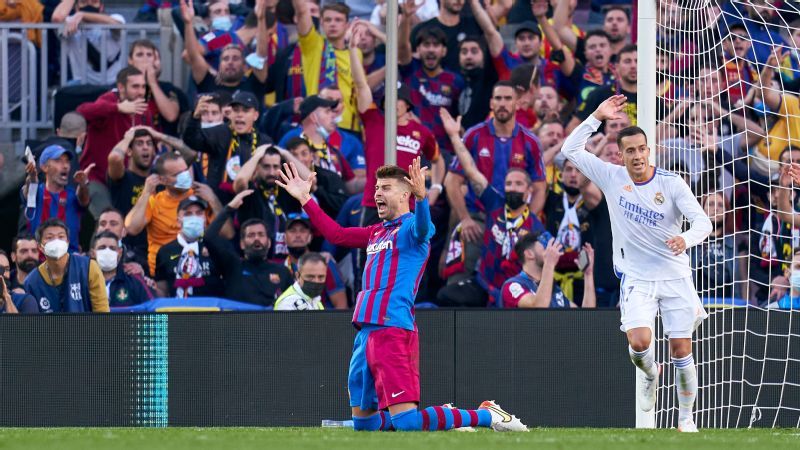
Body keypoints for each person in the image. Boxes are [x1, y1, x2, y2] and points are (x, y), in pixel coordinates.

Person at [276, 157, 527, 432]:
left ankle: (486, 415)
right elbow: (336, 235)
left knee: (407, 423)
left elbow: (422, 227)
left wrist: (422, 200)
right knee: (365, 425)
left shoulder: (411, 229)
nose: (377, 194)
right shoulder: (375, 232)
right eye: (376, 188)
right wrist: (305, 199)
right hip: (364, 333)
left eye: (385, 188)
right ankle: (440, 415)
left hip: (393, 329)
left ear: (405, 194)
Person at [561, 94, 713, 432]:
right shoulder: (612, 177)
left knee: (681, 349)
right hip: (637, 276)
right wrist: (596, 117)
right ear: (621, 154)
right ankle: (649, 374)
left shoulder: (671, 183)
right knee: (640, 343)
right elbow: (570, 150)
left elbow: (704, 223)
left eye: (641, 149)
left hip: (674, 275)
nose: (637, 155)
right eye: (629, 150)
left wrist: (685, 239)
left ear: (649, 150)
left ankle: (686, 420)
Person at [349, 21, 444, 226]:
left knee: (403, 258)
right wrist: (352, 51)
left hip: (406, 207)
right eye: (387, 100)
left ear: (407, 104)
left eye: (396, 99)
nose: (391, 104)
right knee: (368, 257)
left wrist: (436, 187)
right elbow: (361, 85)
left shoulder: (421, 132)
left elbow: (437, 159)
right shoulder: (374, 120)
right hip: (375, 203)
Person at [124, 152, 230, 276]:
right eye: (177, 174)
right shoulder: (154, 201)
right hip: (163, 273)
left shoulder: (202, 196)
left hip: (201, 268)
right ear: (163, 180)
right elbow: (131, 227)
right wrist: (146, 192)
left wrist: (212, 199)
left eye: (185, 170)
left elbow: (228, 234)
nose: (185, 176)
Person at [183, 91, 273, 199]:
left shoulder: (264, 141)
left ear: (255, 115)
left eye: (245, 110)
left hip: (252, 203)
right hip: (220, 203)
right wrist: (195, 117)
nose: (240, 115)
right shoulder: (220, 133)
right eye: (236, 110)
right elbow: (191, 139)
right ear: (230, 114)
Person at [399, 10, 465, 156]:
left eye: (436, 45)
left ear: (444, 51)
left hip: (445, 150)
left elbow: (460, 116)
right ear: (418, 49)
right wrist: (406, 18)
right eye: (426, 44)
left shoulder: (456, 81)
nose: (431, 49)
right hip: (415, 147)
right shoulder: (411, 71)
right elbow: (402, 47)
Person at [291, 0, 361, 133]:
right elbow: (301, 11)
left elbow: (362, 85)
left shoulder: (355, 52)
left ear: (347, 25)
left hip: (348, 126)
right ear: (321, 22)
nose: (333, 24)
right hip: (317, 122)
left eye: (338, 20)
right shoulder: (312, 44)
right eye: (328, 20)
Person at [232, 144, 310, 260]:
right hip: (259, 262)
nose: (272, 172)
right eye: (266, 167)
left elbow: (310, 181)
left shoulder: (289, 191)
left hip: (289, 263)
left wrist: (285, 153)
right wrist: (257, 155)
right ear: (257, 167)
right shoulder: (250, 193)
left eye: (275, 167)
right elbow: (240, 182)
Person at [181, 0, 269, 98]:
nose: (230, 62)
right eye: (218, 11)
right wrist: (188, 23)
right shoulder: (223, 37)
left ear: (244, 65)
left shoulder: (250, 82)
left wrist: (261, 19)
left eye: (227, 11)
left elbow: (261, 58)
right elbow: (190, 55)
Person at [24, 218, 110, 313]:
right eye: (49, 237)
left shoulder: (89, 267)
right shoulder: (32, 281)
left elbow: (102, 313)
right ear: (40, 246)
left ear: (68, 242)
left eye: (61, 237)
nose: (56, 241)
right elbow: (33, 323)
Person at [278, 95, 359, 192]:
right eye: (327, 111)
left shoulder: (333, 151)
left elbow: (352, 185)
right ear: (313, 117)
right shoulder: (291, 141)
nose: (333, 115)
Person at [22, 145, 91, 253]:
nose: (65, 166)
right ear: (44, 167)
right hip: (39, 261)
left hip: (69, 260)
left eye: (67, 161)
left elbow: (84, 200)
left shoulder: (73, 195)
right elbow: (28, 192)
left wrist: (83, 185)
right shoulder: (36, 192)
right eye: (58, 161)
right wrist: (32, 177)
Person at [500, 233, 596, 308]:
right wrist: (549, 264)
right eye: (545, 246)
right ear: (529, 254)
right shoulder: (512, 285)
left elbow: (585, 318)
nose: (551, 250)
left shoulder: (555, 290)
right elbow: (539, 307)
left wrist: (588, 274)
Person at [154, 196, 224, 298]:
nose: (194, 218)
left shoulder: (217, 247)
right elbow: (162, 290)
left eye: (199, 213)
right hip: (178, 311)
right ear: (178, 221)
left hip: (211, 311)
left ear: (205, 219)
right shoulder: (165, 251)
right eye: (188, 214)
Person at [52, 0, 126, 85]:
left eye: (94, 2)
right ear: (76, 8)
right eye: (83, 2)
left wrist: (83, 15)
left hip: (113, 83)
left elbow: (117, 25)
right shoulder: (71, 23)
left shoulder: (114, 18)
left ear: (101, 7)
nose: (89, 5)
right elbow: (57, 18)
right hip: (82, 84)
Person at [282, 213, 348, 309]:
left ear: (310, 236)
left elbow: (341, 305)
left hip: (323, 321)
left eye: (303, 231)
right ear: (284, 237)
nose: (298, 235)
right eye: (292, 231)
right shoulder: (279, 266)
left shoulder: (325, 263)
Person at [90, 230, 153, 307]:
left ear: (120, 253)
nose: (107, 252)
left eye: (112, 248)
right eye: (102, 248)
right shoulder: (82, 282)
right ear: (93, 253)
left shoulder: (135, 281)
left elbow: (152, 310)